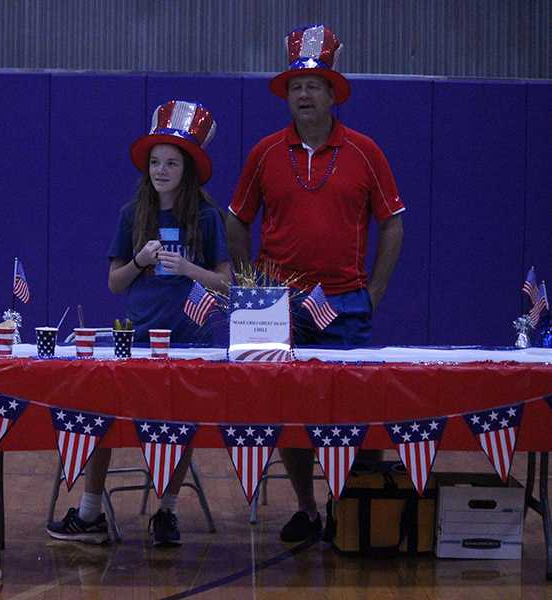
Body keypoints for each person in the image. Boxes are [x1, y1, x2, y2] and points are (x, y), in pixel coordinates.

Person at [225, 25, 405, 543]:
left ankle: (350, 506)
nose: (303, 95)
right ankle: (306, 508)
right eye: (295, 87)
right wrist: (249, 284)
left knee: (359, 413)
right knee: (291, 413)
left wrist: (375, 291)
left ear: (333, 94)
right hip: (278, 307)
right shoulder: (263, 153)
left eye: (314, 86)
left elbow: (393, 222)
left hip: (347, 304)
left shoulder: (365, 151)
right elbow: (237, 219)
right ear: (287, 96)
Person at [46, 100, 232, 547]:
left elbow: (226, 285)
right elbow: (114, 283)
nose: (162, 170)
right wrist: (139, 260)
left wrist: (189, 269)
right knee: (104, 413)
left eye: (171, 162)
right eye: (155, 161)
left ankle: (166, 513)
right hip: (139, 336)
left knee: (178, 425)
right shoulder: (132, 215)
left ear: (188, 169)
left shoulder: (206, 218)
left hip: (189, 340)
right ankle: (91, 513)